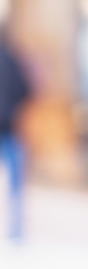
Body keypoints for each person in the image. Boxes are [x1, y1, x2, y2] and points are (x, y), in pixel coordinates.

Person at [0, 28, 30, 242]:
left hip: (9, 127)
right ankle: (16, 228)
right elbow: (26, 89)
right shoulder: (12, 58)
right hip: (9, 126)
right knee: (16, 181)